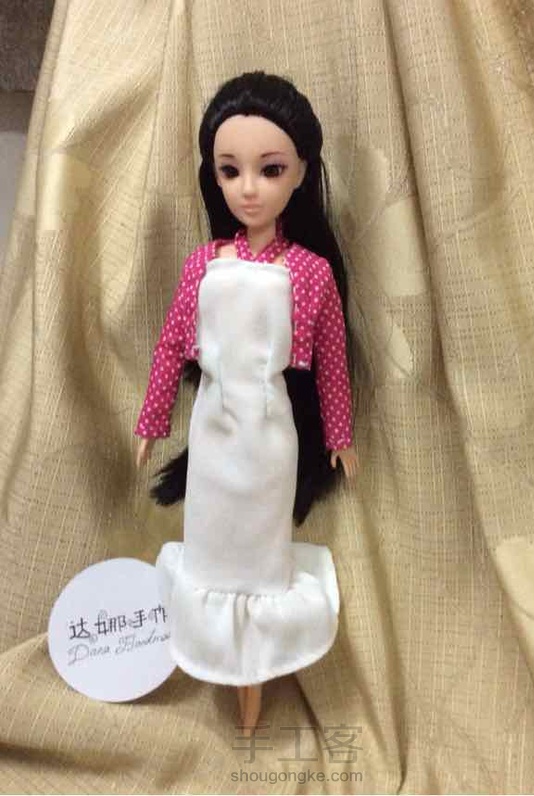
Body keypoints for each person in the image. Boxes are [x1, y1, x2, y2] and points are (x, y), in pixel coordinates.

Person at [135, 72, 358, 736]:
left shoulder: (311, 272)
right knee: (210, 547)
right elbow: (170, 343)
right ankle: (218, 660)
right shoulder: (202, 263)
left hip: (269, 436)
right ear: (214, 176)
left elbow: (332, 362)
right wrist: (152, 421)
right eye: (230, 171)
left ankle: (252, 675)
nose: (249, 188)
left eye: (270, 169)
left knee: (259, 556)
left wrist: (339, 436)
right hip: (213, 433)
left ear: (301, 173)